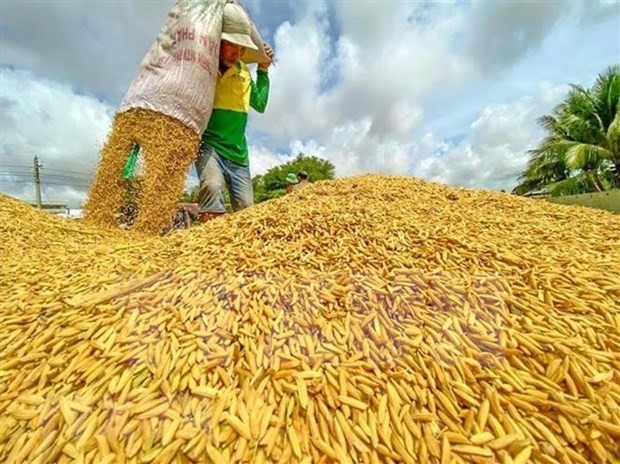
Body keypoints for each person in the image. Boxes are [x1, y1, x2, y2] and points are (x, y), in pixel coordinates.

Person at [195, 3, 273, 223]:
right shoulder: (204, 67)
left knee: (247, 209)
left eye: (241, 49)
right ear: (219, 42)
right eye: (232, 45)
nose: (236, 53)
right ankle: (207, 247)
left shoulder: (244, 74)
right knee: (212, 185)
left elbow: (260, 103)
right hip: (210, 147)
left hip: (239, 155)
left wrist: (263, 71)